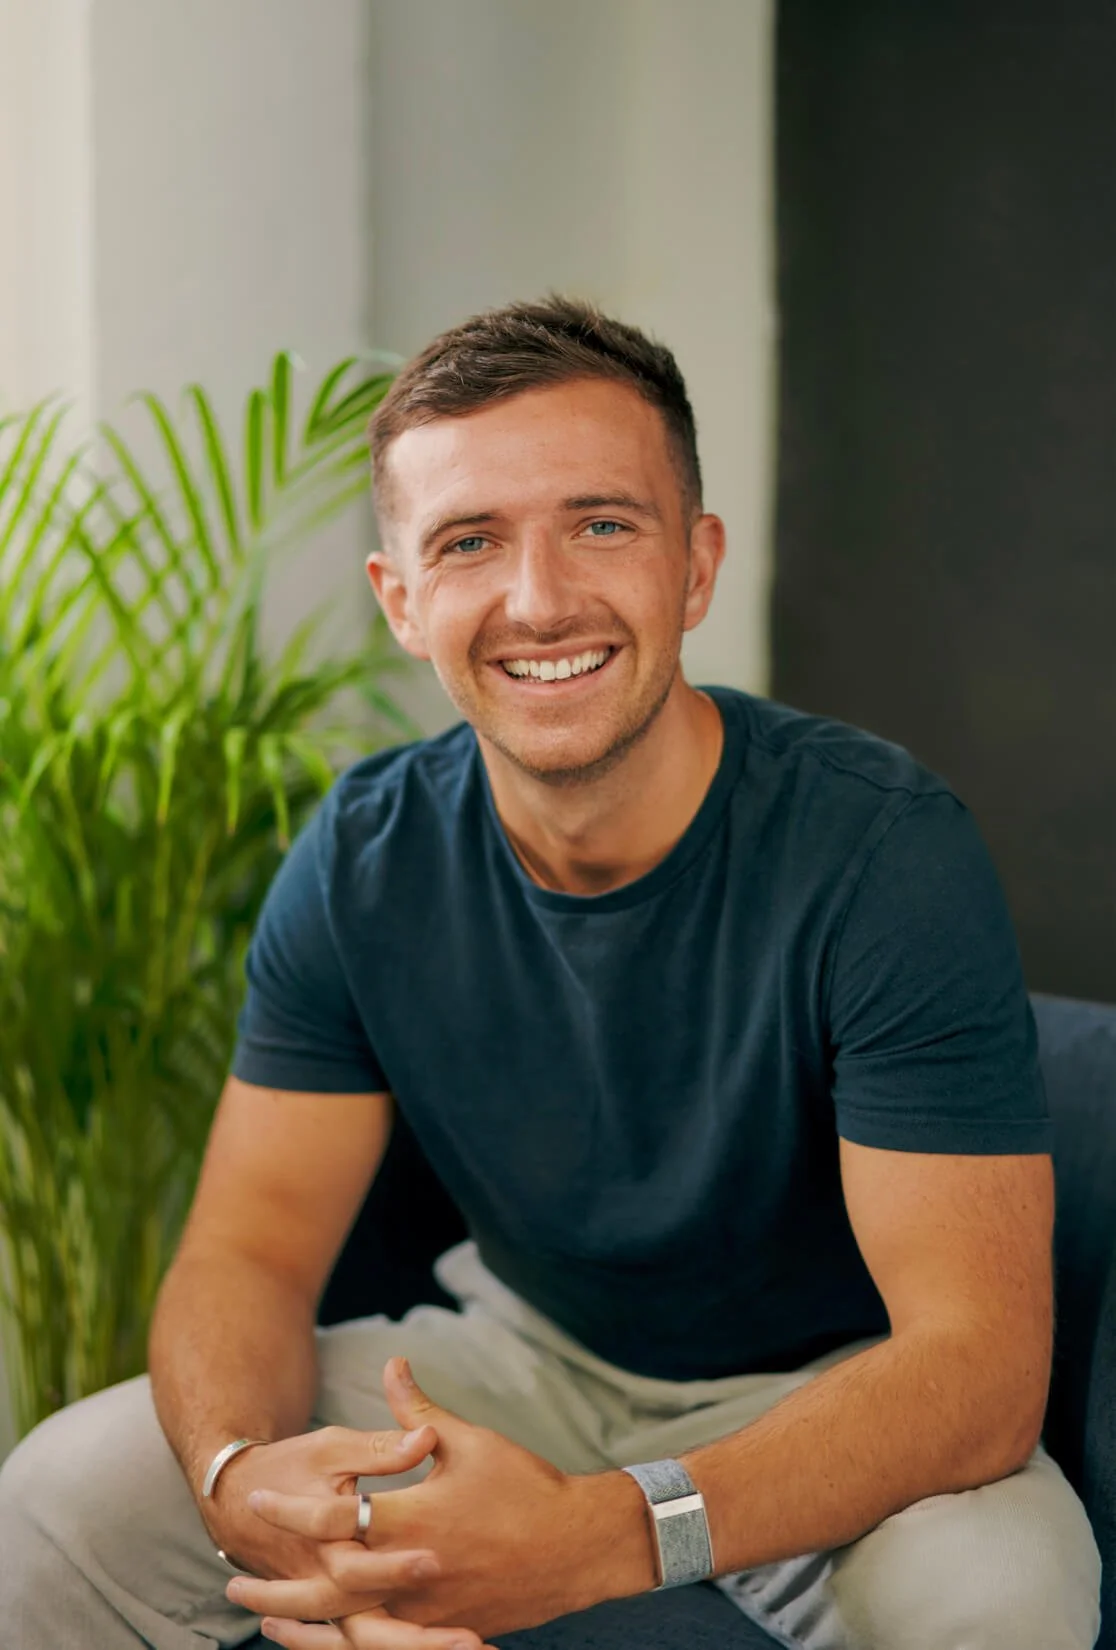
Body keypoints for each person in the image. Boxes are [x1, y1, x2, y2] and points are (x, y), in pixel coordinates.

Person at [0, 297, 1103, 1650]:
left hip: (836, 1391)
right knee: (59, 1494)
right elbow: (250, 1248)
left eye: (601, 523)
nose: (540, 599)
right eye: (470, 541)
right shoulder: (359, 860)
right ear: (401, 600)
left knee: (998, 1598)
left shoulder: (883, 850)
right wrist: (239, 1476)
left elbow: (976, 1366)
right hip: (516, 1357)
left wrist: (608, 1531)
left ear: (695, 567)